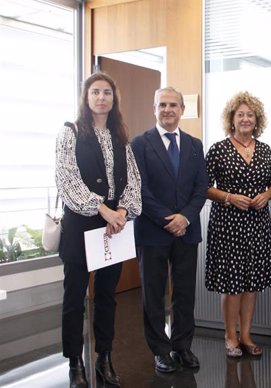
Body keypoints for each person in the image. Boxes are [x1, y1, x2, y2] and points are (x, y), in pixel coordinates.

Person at [55, 72, 142, 388]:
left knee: (107, 296)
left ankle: (104, 357)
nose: (102, 97)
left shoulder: (121, 137)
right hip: (81, 224)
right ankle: (74, 362)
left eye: (107, 92)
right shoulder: (71, 132)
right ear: (86, 97)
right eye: (96, 92)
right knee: (74, 297)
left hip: (114, 228)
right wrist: (101, 208)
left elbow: (133, 180)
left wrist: (121, 211)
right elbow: (67, 179)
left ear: (113, 98)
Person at [131, 87, 209, 373]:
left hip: (186, 231)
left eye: (173, 105)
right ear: (154, 109)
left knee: (185, 292)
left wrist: (184, 218)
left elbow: (200, 188)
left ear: (182, 110)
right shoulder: (139, 144)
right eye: (162, 105)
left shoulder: (194, 144)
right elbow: (139, 190)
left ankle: (182, 346)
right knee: (153, 293)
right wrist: (168, 219)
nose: (167, 110)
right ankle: (160, 350)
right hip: (153, 231)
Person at [205, 91, 271, 358]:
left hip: (257, 224)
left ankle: (246, 335)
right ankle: (230, 336)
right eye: (241, 115)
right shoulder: (218, 149)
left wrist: (267, 195)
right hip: (227, 224)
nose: (246, 119)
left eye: (250, 115)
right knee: (232, 284)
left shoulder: (264, 149)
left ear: (257, 119)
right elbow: (202, 187)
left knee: (252, 284)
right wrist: (228, 197)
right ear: (232, 119)